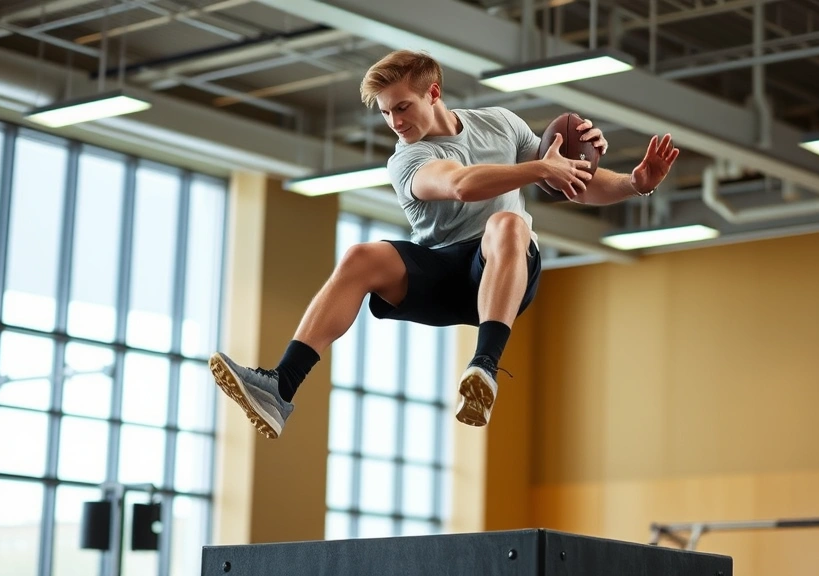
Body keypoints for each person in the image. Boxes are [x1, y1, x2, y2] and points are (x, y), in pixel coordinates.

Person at [209, 49, 680, 438]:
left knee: (507, 225)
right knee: (360, 258)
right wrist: (540, 168)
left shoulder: (499, 123)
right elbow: (461, 185)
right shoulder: (408, 160)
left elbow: (572, 177)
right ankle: (280, 386)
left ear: (433, 93)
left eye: (402, 106)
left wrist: (635, 183)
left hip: (505, 266)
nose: (394, 121)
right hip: (445, 274)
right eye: (386, 112)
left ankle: (485, 368)